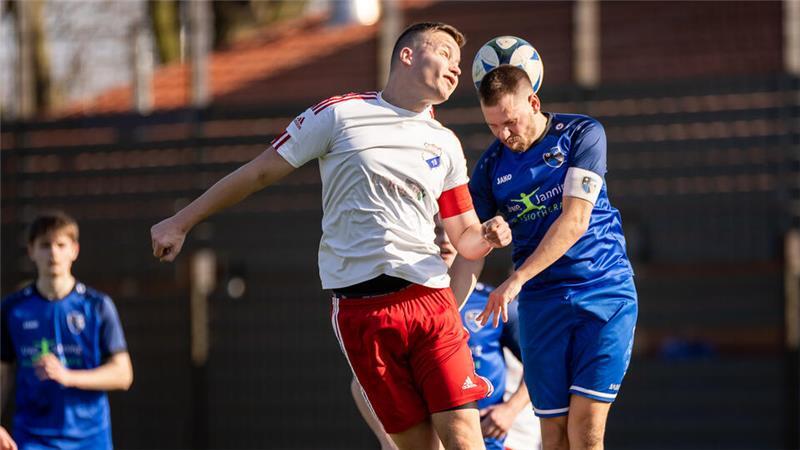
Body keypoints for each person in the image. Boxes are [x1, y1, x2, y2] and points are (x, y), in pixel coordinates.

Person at [150, 22, 512, 450]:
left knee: (464, 437)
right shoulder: (339, 114)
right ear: (407, 56)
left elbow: (465, 238)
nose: (456, 68)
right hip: (361, 313)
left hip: (430, 302)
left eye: (459, 61)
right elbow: (260, 171)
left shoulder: (445, 143)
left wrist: (487, 234)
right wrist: (181, 221)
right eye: (445, 53)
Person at [451, 65, 638, 450]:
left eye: (510, 122)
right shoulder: (489, 168)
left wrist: (516, 279)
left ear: (533, 102)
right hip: (542, 304)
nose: (503, 134)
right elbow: (471, 246)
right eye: (492, 126)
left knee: (586, 431)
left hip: (602, 290)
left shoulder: (582, 134)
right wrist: (486, 238)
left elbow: (575, 221)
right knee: (553, 436)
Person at [350, 225, 540, 450]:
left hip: (490, 438)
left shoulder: (491, 300)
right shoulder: (402, 304)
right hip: (428, 436)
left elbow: (539, 360)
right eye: (436, 230)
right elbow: (364, 382)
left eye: (452, 231)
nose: (445, 240)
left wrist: (510, 410)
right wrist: (386, 440)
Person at [1, 212, 133, 450]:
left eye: (61, 245)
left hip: (90, 437)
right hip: (34, 437)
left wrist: (68, 376)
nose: (53, 253)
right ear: (31, 251)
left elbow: (123, 374)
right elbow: (3, 372)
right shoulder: (13, 308)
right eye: (45, 245)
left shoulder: (97, 305)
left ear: (74, 250)